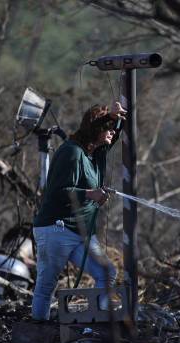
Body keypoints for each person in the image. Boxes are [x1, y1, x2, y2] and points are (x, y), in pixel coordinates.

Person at [31, 102, 127, 321]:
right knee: (46, 285)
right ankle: (37, 332)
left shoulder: (96, 152)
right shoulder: (72, 153)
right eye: (107, 127)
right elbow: (57, 192)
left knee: (107, 273)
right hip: (56, 228)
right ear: (95, 129)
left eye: (113, 127)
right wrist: (90, 194)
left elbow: (114, 132)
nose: (112, 131)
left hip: (81, 232)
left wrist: (115, 117)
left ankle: (104, 321)